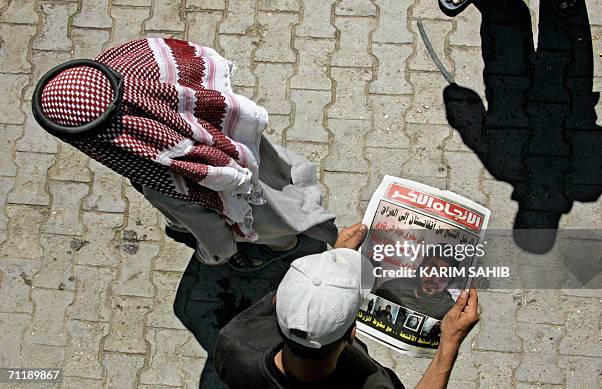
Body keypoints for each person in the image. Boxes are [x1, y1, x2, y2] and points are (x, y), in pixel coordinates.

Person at [32, 38, 337, 271]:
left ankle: (284, 246)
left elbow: (213, 234)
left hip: (259, 213)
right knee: (284, 195)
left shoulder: (165, 181)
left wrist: (213, 256)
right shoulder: (174, 96)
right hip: (265, 164)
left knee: (277, 230)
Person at [214, 223, 480, 388]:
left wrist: (333, 262)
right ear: (353, 333)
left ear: (276, 302)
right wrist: (449, 344)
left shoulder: (233, 343)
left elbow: (308, 301)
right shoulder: (370, 382)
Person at [373, 255, 458, 320]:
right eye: (432, 269)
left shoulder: (451, 310)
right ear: (422, 266)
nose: (434, 278)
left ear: (450, 281)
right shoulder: (391, 287)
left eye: (444, 273)